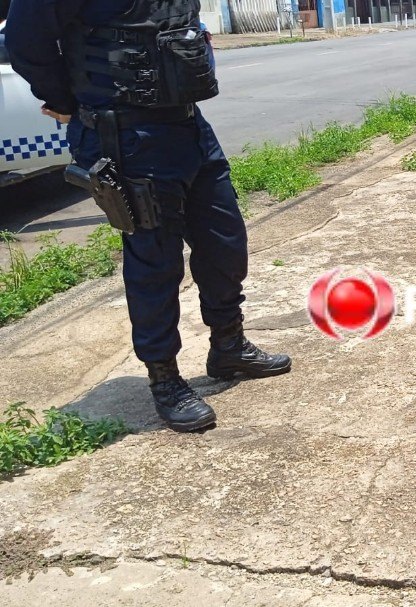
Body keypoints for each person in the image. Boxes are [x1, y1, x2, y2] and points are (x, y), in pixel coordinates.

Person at [5, 0, 291, 432]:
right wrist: (64, 98)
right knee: (155, 260)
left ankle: (228, 345)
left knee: (225, 241)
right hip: (124, 133)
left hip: (188, 123)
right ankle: (165, 379)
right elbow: (25, 40)